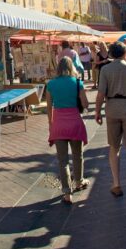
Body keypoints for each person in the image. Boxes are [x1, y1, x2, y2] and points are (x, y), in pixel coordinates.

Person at [94, 43, 126, 202]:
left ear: (110, 54)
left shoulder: (105, 69)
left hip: (113, 108)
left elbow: (101, 94)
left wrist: (97, 111)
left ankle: (116, 184)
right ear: (125, 54)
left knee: (114, 148)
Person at [46, 56, 90, 204]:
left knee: (62, 160)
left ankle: (67, 193)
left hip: (59, 124)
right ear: (72, 67)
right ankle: (79, 181)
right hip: (75, 123)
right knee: (78, 155)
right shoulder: (77, 82)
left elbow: (49, 107)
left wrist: (51, 125)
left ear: (58, 68)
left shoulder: (51, 84)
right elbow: (85, 103)